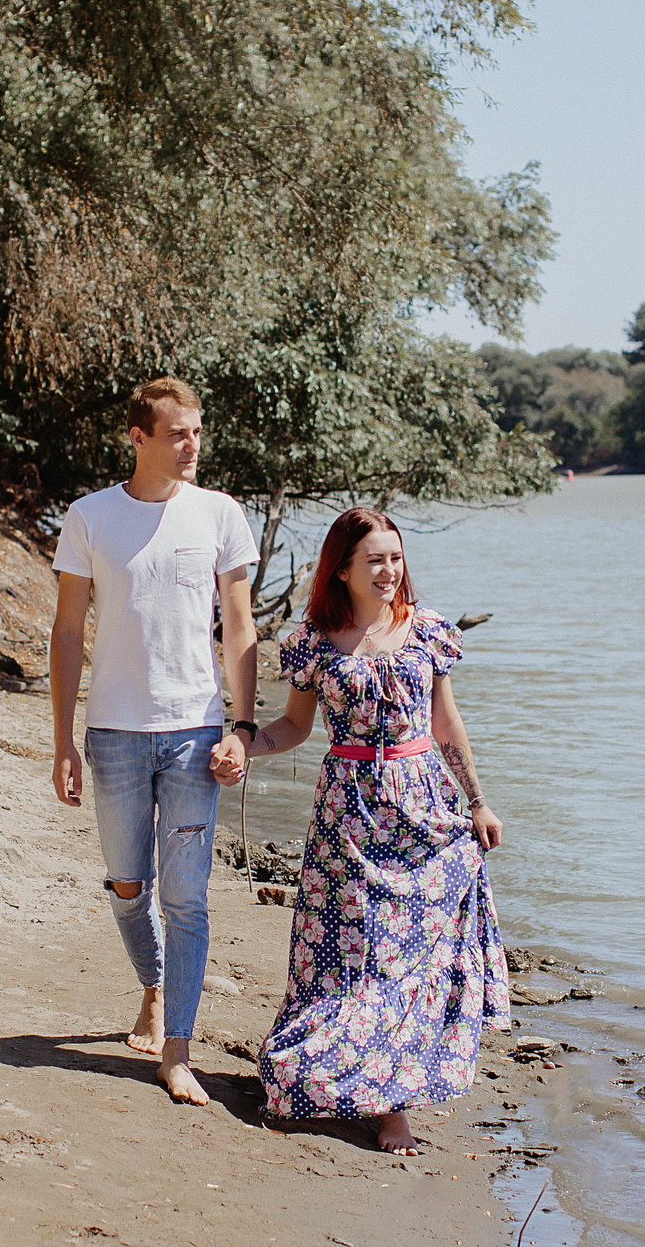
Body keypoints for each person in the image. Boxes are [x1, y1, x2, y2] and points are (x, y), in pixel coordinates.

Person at [241, 506, 510, 1154]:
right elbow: (296, 727)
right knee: (347, 957)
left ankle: (392, 1107)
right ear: (343, 568)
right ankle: (326, 1076)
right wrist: (243, 741)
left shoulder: (426, 632)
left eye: (395, 557)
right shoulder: (315, 640)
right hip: (348, 816)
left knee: (408, 958)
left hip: (420, 811)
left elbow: (446, 726)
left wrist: (478, 802)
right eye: (375, 560)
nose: (390, 570)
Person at [49, 378, 258, 1106]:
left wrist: (242, 726)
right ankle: (151, 983)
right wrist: (62, 741)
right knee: (128, 883)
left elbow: (239, 627)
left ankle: (177, 1050)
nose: (192, 443)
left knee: (188, 897)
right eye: (177, 432)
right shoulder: (90, 517)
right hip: (113, 732)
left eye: (197, 430)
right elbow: (69, 631)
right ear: (137, 437)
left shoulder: (220, 515)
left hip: (195, 731)